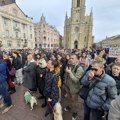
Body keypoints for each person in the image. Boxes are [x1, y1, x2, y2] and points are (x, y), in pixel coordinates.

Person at [64, 54, 84, 120]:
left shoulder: (79, 69)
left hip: (74, 89)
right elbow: (65, 75)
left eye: (73, 58)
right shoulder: (69, 65)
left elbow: (76, 80)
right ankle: (69, 106)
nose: (71, 59)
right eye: (70, 58)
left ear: (77, 60)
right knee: (69, 99)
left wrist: (69, 73)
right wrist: (65, 82)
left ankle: (75, 112)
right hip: (67, 86)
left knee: (74, 101)